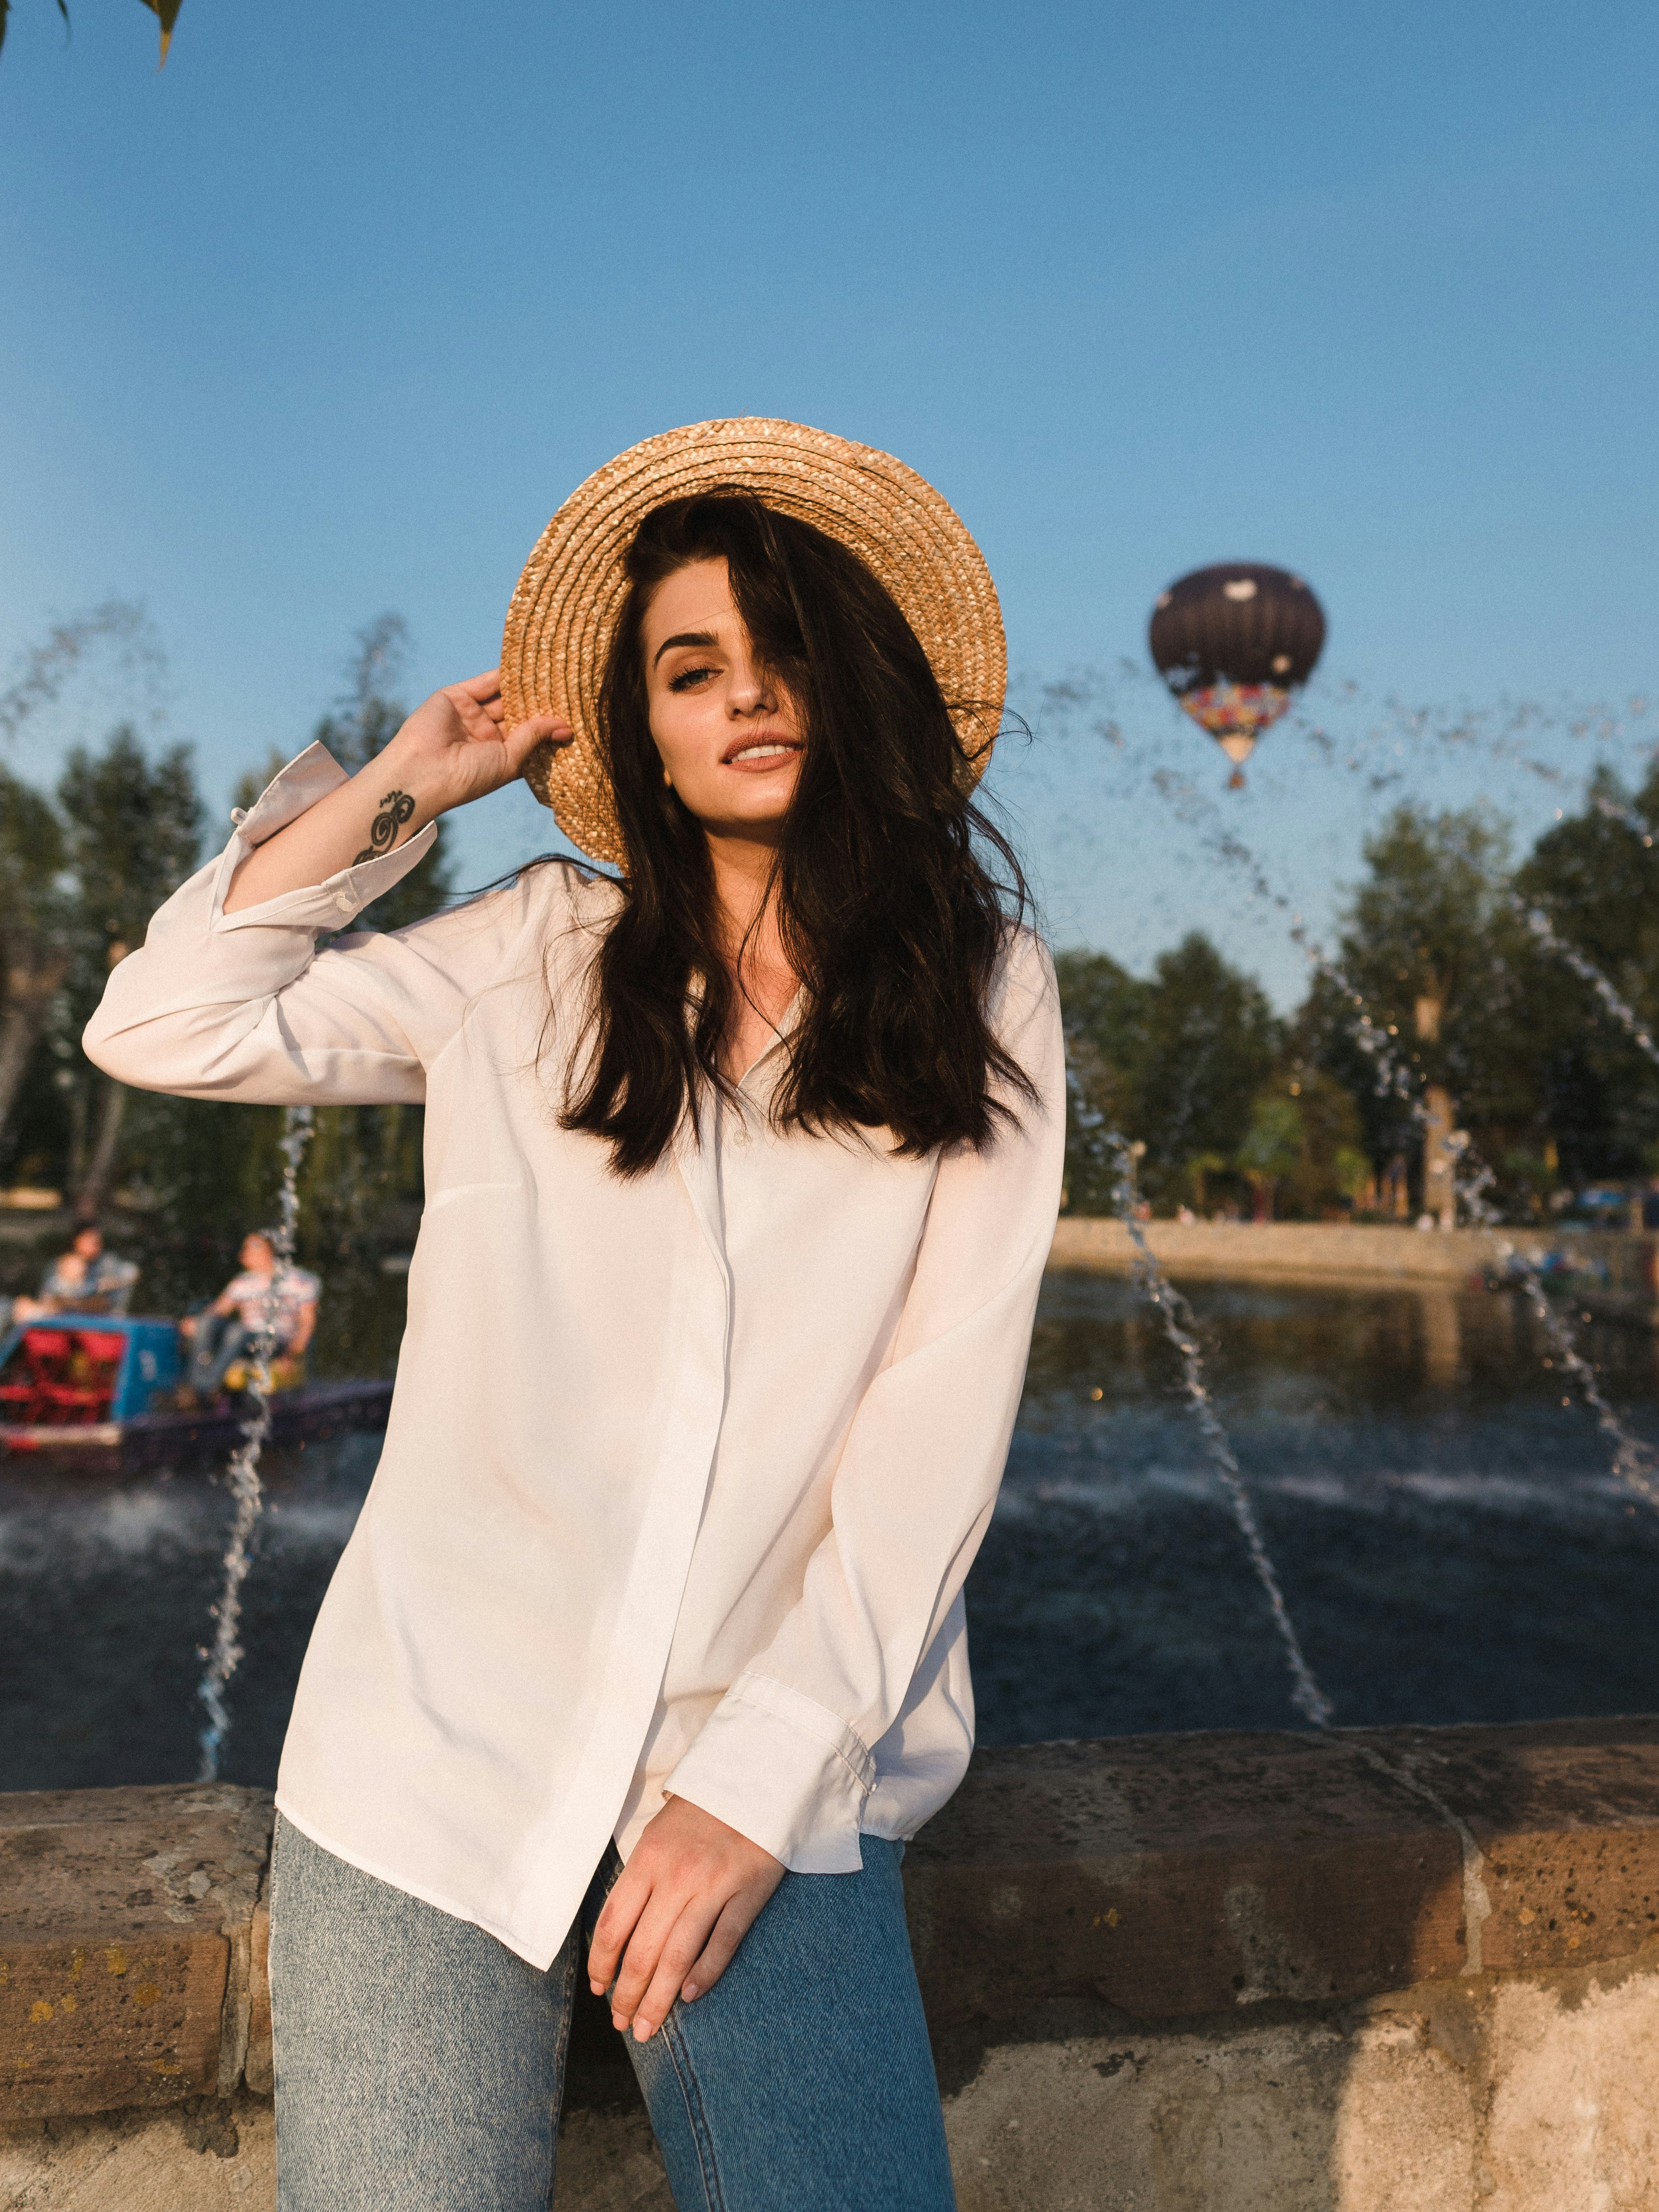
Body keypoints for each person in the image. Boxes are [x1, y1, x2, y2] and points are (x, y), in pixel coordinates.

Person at [84, 418, 1064, 2212]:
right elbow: (160, 1025)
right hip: (430, 1754)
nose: (744, 698)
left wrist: (754, 1785)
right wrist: (403, 783)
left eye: (784, 658)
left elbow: (937, 1420)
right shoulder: (527, 951)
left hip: (764, 1761)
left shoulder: (984, 985)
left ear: (854, 687)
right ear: (646, 725)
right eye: (691, 669)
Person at [179, 1230, 318, 1400]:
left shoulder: (300, 1281)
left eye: (252, 1248)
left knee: (238, 1332)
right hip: (243, 1342)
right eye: (245, 1248)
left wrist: (291, 1355)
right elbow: (218, 1311)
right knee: (207, 1324)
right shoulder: (243, 1282)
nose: (245, 1253)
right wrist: (196, 1323)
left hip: (276, 1342)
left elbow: (307, 1323)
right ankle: (196, 1386)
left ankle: (205, 1391)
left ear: (271, 1251)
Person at [9, 1222, 139, 1326]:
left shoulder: (108, 1264)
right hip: (60, 1319)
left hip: (96, 1322)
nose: (96, 1244)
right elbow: (47, 1298)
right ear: (77, 1241)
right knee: (21, 1306)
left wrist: (68, 1304)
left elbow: (106, 1303)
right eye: (90, 1239)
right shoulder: (60, 1264)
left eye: (98, 1240)